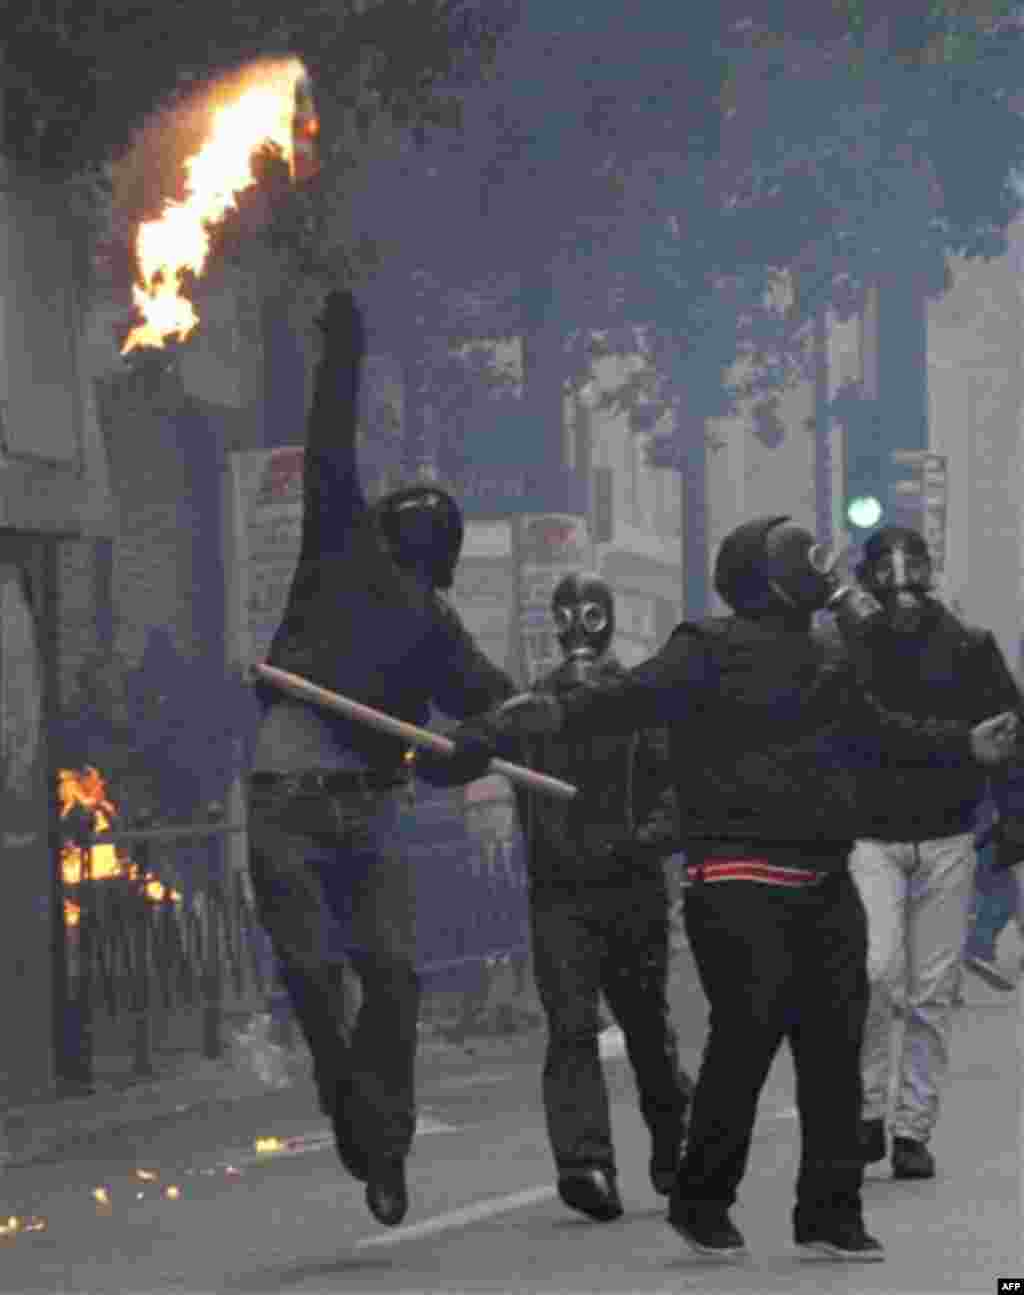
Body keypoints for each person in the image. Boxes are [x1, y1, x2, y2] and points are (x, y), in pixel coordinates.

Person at [452, 516, 1018, 1262]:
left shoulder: (829, 654)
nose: (819, 565)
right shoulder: (705, 648)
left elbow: (879, 726)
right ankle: (701, 1198)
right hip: (735, 879)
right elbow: (628, 699)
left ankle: (830, 1210)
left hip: (821, 877)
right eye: (804, 556)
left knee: (832, 1046)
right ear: (771, 572)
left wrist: (961, 744)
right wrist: (544, 711)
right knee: (747, 1038)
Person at [246, 290, 515, 1227]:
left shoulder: (438, 628)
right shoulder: (335, 545)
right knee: (316, 975)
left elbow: (494, 709)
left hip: (371, 805)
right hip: (287, 792)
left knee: (393, 973)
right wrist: (343, 349)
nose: (408, 558)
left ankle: (384, 1143)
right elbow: (329, 446)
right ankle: (352, 1106)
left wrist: (488, 738)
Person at [470, 571, 694, 1221]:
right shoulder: (530, 710)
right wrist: (457, 747)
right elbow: (472, 749)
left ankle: (673, 1141)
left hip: (630, 888)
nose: (578, 628)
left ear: (610, 620)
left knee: (647, 1028)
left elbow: (674, 793)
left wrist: (643, 840)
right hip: (559, 892)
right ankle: (584, 1161)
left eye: (591, 614)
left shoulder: (641, 704)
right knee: (570, 1026)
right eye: (568, 615)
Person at [841, 527, 1024, 1179]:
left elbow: (1009, 731)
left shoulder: (970, 649)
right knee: (874, 969)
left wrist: (1013, 814)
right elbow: (856, 730)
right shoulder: (852, 648)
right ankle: (865, 1107)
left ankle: (912, 1126)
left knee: (931, 990)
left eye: (911, 569)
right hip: (871, 834)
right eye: (888, 572)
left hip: (948, 832)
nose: (901, 585)